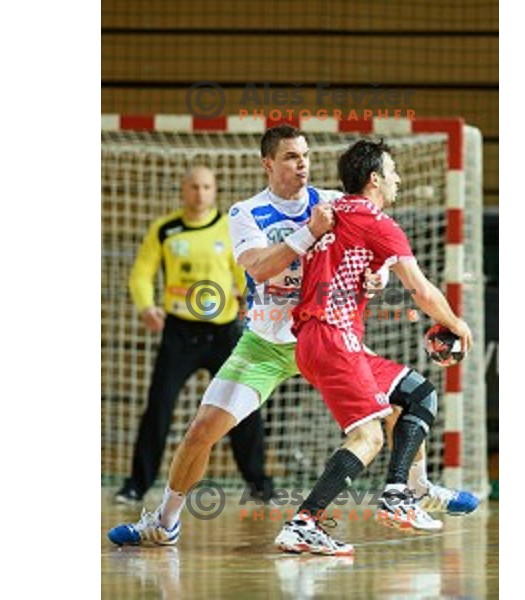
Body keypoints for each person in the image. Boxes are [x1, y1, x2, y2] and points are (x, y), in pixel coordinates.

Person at [107, 126, 476, 548]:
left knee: (401, 402)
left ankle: (417, 489)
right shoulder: (246, 212)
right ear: (268, 163)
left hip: (324, 333)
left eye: (305, 155)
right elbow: (259, 267)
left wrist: (374, 277)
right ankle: (164, 521)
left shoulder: (335, 202)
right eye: (290, 157)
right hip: (267, 342)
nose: (302, 164)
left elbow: (368, 252)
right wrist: (309, 233)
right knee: (201, 430)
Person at [274, 139, 475, 555]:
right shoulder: (377, 223)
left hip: (320, 339)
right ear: (375, 179)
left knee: (419, 393)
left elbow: (347, 260)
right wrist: (455, 323)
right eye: (393, 171)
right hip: (332, 336)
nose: (399, 178)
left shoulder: (332, 215)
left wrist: (373, 275)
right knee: (368, 435)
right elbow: (419, 289)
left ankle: (404, 489)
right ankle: (304, 522)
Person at [114, 165, 273, 506]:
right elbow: (141, 274)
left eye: (206, 186)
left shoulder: (229, 229)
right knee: (159, 407)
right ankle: (135, 486)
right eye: (193, 187)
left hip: (223, 334)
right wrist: (146, 306)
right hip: (179, 333)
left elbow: (247, 271)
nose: (200, 193)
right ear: (183, 190)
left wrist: (247, 299)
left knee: (242, 408)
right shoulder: (165, 230)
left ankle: (260, 484)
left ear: (214, 191)